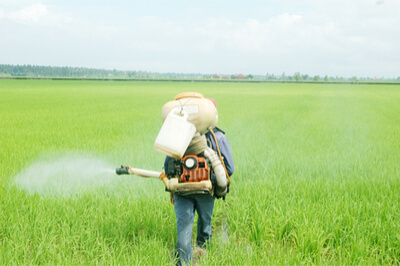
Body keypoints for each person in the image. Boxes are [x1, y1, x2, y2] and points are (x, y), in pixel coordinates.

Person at [164, 98, 234, 266]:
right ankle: (199, 257)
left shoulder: (177, 135)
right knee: (204, 227)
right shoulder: (218, 137)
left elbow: (168, 167)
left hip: (182, 191)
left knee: (184, 232)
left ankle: (188, 262)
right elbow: (229, 169)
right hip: (206, 192)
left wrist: (172, 189)